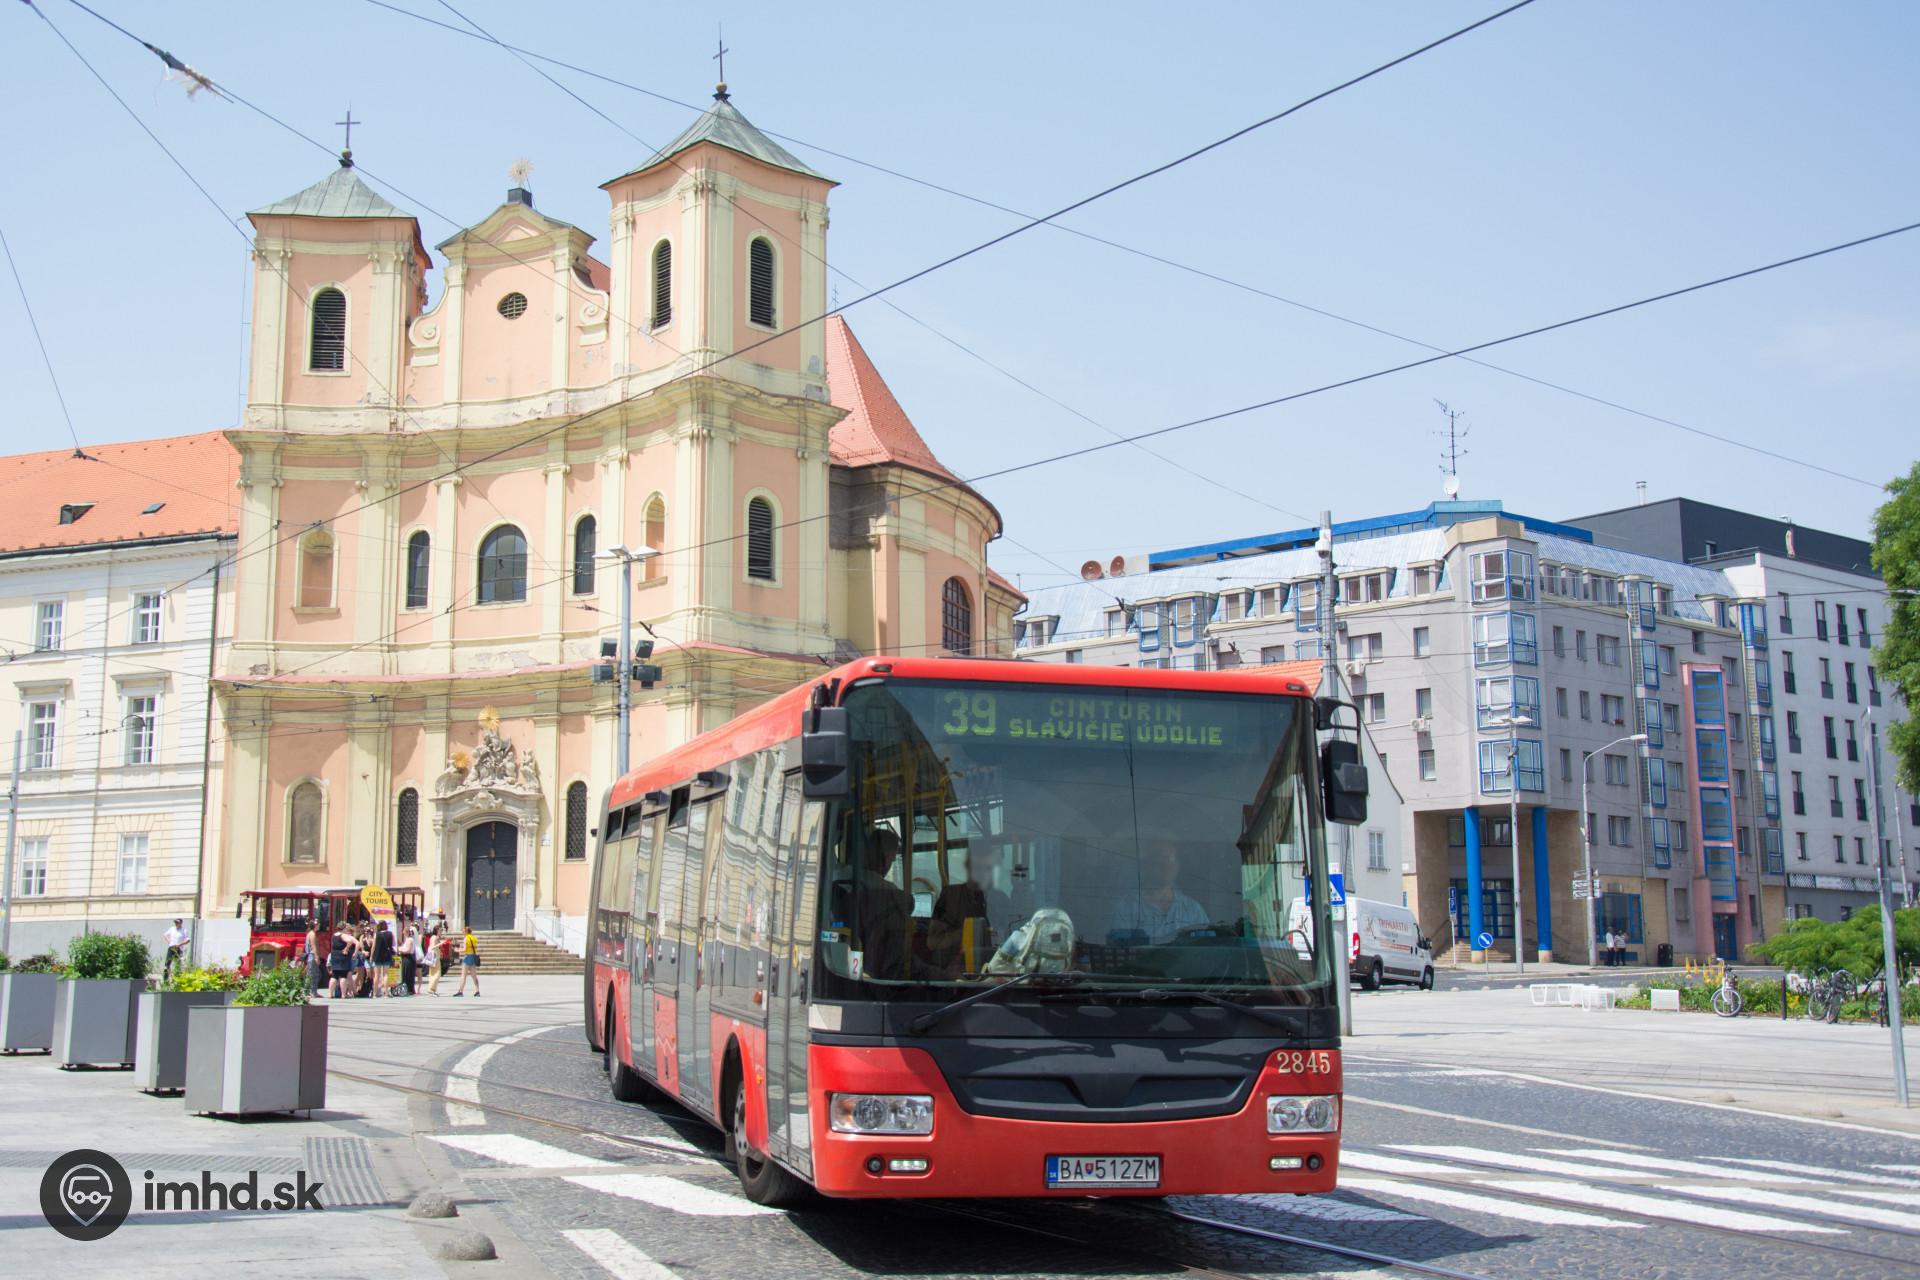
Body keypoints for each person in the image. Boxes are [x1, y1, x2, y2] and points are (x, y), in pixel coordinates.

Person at [928, 841, 1011, 977]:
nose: (983, 873)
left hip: (996, 973)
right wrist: (965, 934)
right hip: (955, 974)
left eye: (988, 868)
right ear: (968, 867)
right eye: (978, 867)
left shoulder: (1001, 899)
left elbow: (1009, 939)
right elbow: (932, 942)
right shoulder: (950, 897)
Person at [1109, 842, 1209, 945]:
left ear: (1177, 866)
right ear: (1146, 864)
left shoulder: (1193, 909)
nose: (1166, 865)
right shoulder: (1126, 907)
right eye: (1160, 859)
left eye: (1172, 860)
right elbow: (1118, 948)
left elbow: (1207, 946)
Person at [854, 827, 913, 980]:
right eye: (891, 859)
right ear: (883, 857)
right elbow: (908, 902)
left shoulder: (838, 874)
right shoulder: (885, 889)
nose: (889, 866)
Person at [453, 924, 482, 996]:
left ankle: (460, 991)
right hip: (473, 957)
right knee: (474, 976)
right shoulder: (473, 938)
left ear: (466, 932)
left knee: (463, 975)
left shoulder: (466, 938)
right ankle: (477, 991)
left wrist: (457, 950)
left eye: (463, 932)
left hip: (467, 957)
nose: (462, 933)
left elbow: (464, 949)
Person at [327, 923, 353, 998]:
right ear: (343, 928)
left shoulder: (334, 935)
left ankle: (330, 994)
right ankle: (343, 994)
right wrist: (346, 948)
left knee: (334, 975)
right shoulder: (342, 935)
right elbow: (350, 941)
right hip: (342, 955)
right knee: (343, 975)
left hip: (334, 954)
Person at [372, 919, 395, 997]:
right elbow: (393, 944)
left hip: (378, 955)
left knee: (376, 975)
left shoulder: (377, 934)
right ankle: (386, 993)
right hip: (387, 955)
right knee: (385, 974)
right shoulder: (390, 934)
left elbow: (373, 946)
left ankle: (374, 993)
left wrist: (371, 956)